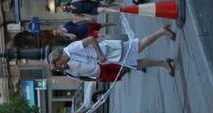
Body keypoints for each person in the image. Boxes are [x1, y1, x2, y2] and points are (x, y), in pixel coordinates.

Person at [48, 25, 177, 81]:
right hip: (108, 56)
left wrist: (99, 55)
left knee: (138, 47)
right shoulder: (71, 54)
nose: (61, 66)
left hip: (108, 51)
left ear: (58, 57)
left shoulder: (71, 49)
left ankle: (162, 32)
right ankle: (162, 62)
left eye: (59, 64)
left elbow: (91, 39)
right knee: (136, 62)